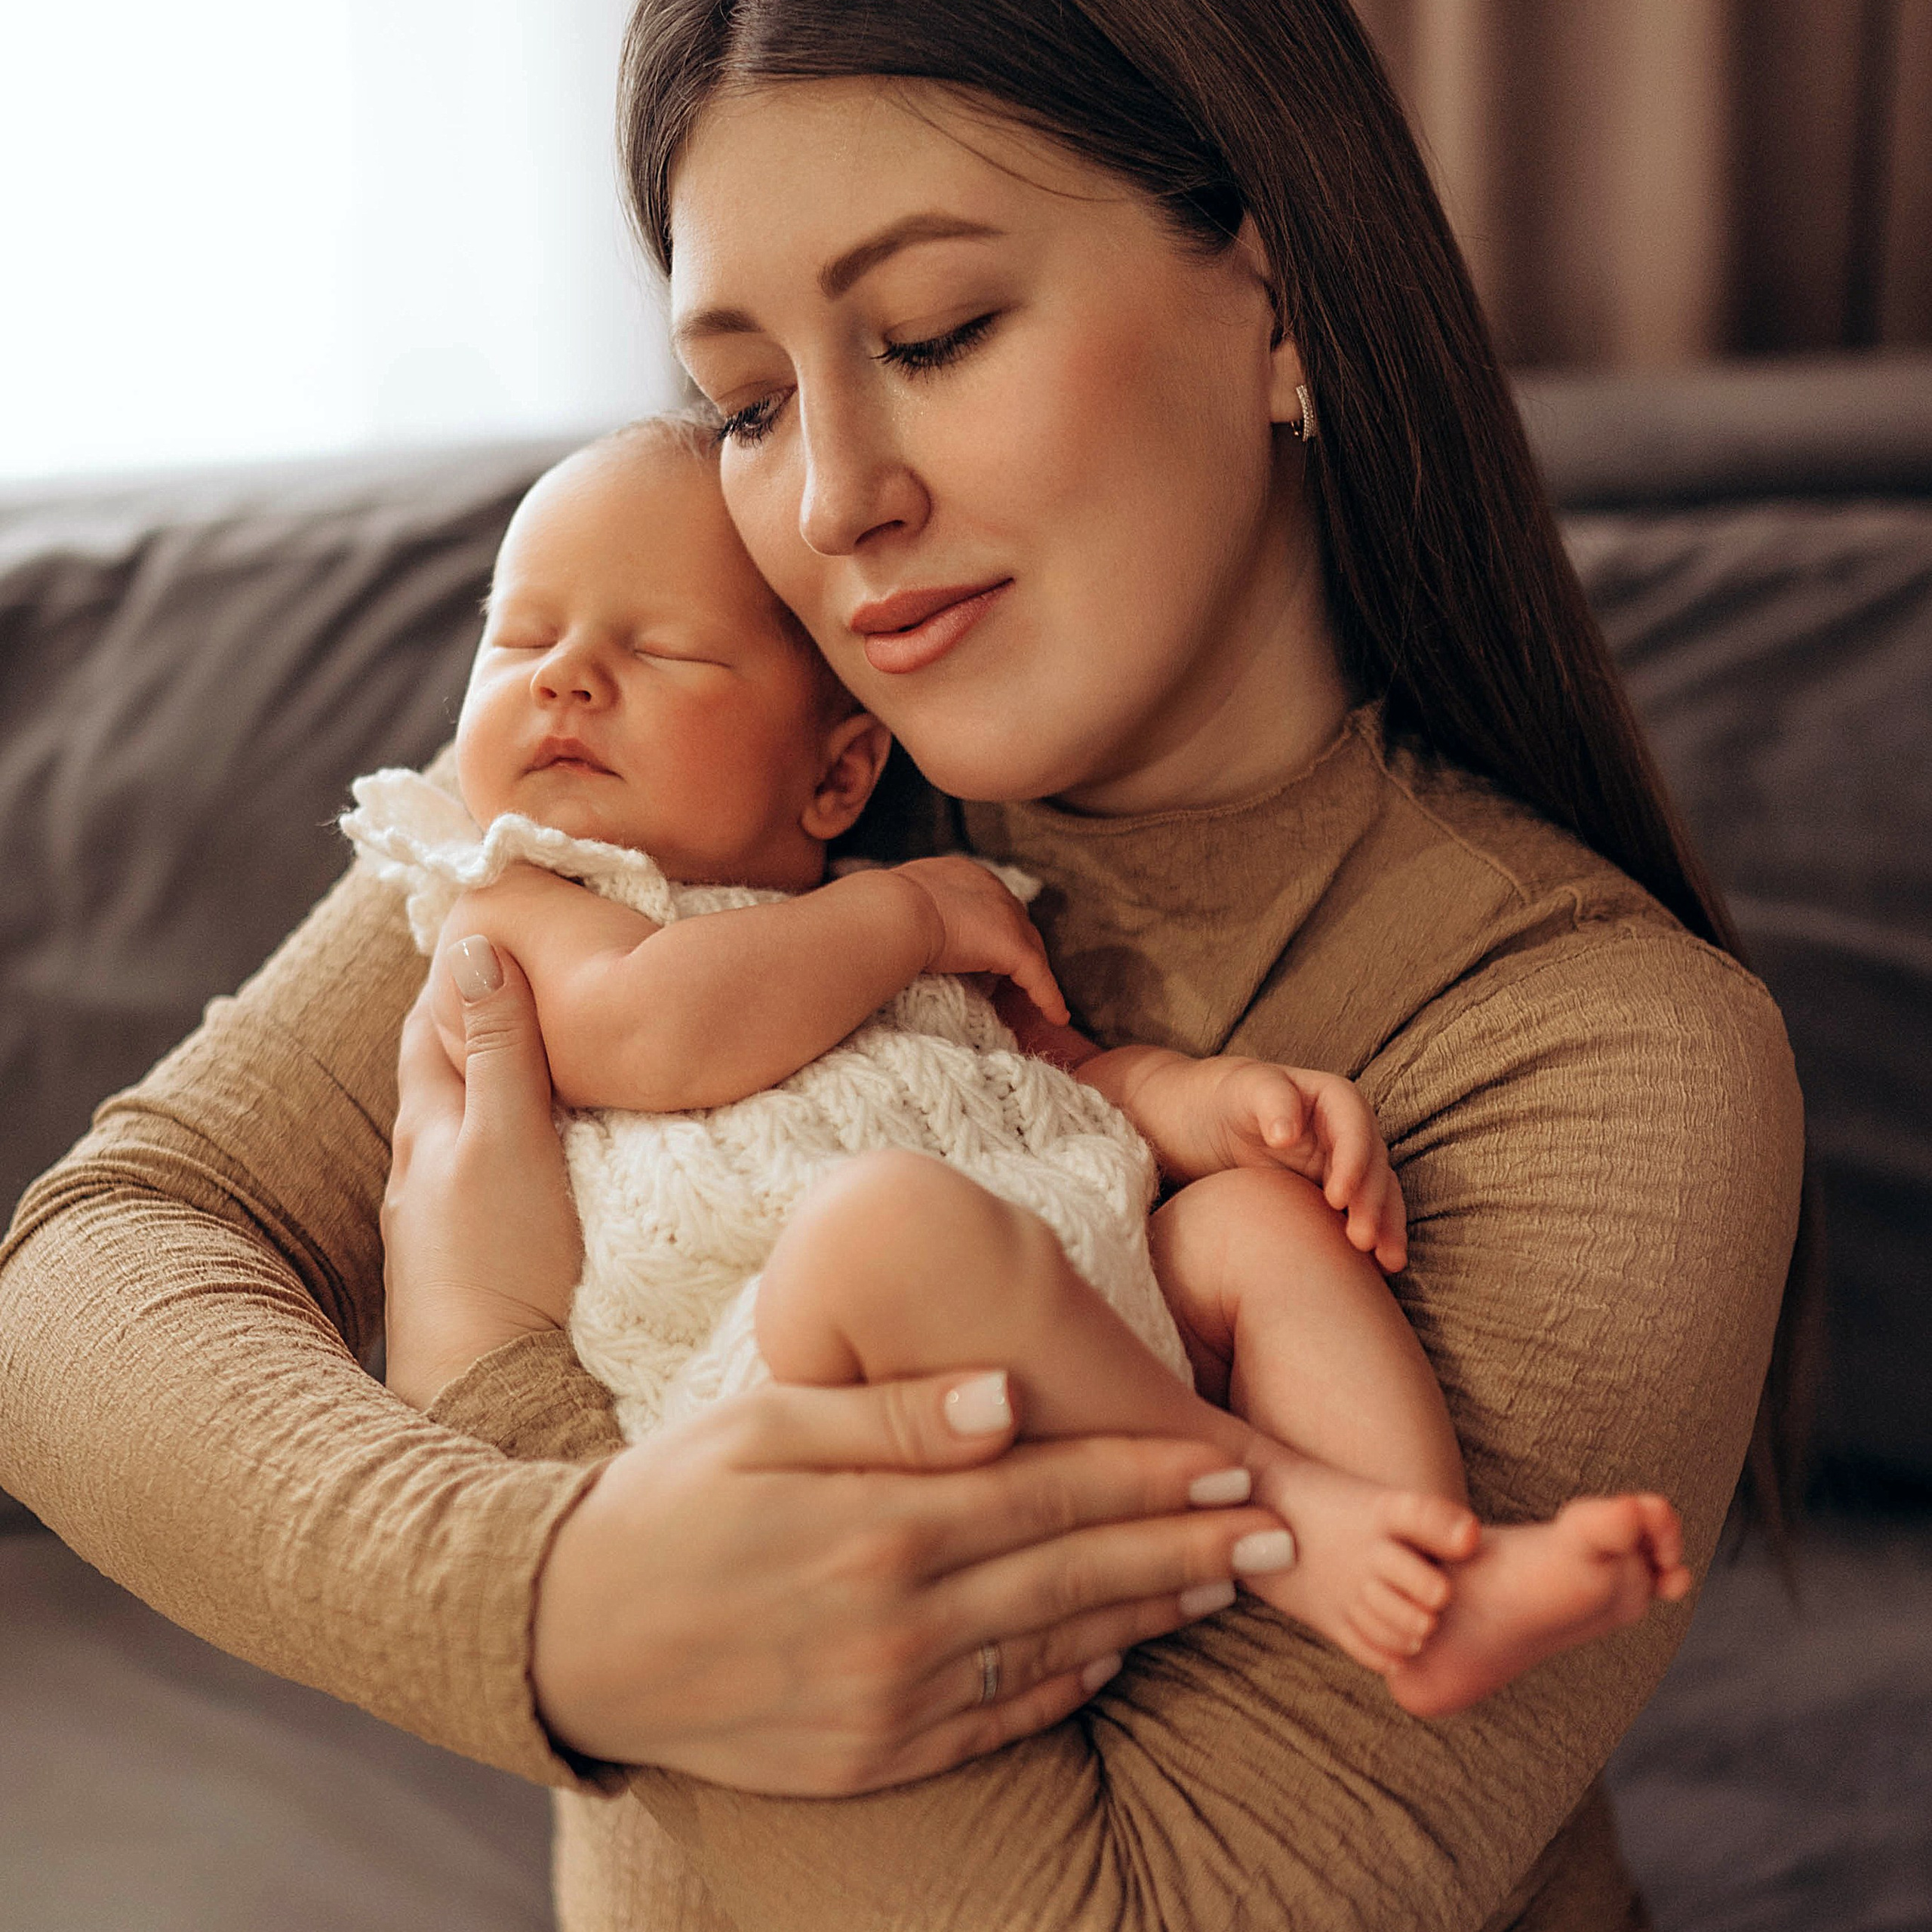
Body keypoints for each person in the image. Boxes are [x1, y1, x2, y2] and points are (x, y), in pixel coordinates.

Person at [0, 1, 1805, 1924]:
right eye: (749, 403)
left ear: (1279, 311)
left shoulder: (1607, 1055)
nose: (826, 503)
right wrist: (550, 1596)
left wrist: (509, 1398)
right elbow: (90, 1275)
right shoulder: (674, 775)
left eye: (934, 334)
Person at [347, 418, 1690, 1718]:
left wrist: (1201, 1105)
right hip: (785, 1405)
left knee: (1250, 1227)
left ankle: (1433, 1566)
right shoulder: (526, 897)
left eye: (662, 651)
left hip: (1069, 1334)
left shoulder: (892, 903)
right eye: (520, 638)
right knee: (883, 1226)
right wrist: (907, 919)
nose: (567, 677)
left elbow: (1040, 1080)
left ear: (836, 776)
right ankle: (1296, 1517)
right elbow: (652, 1028)